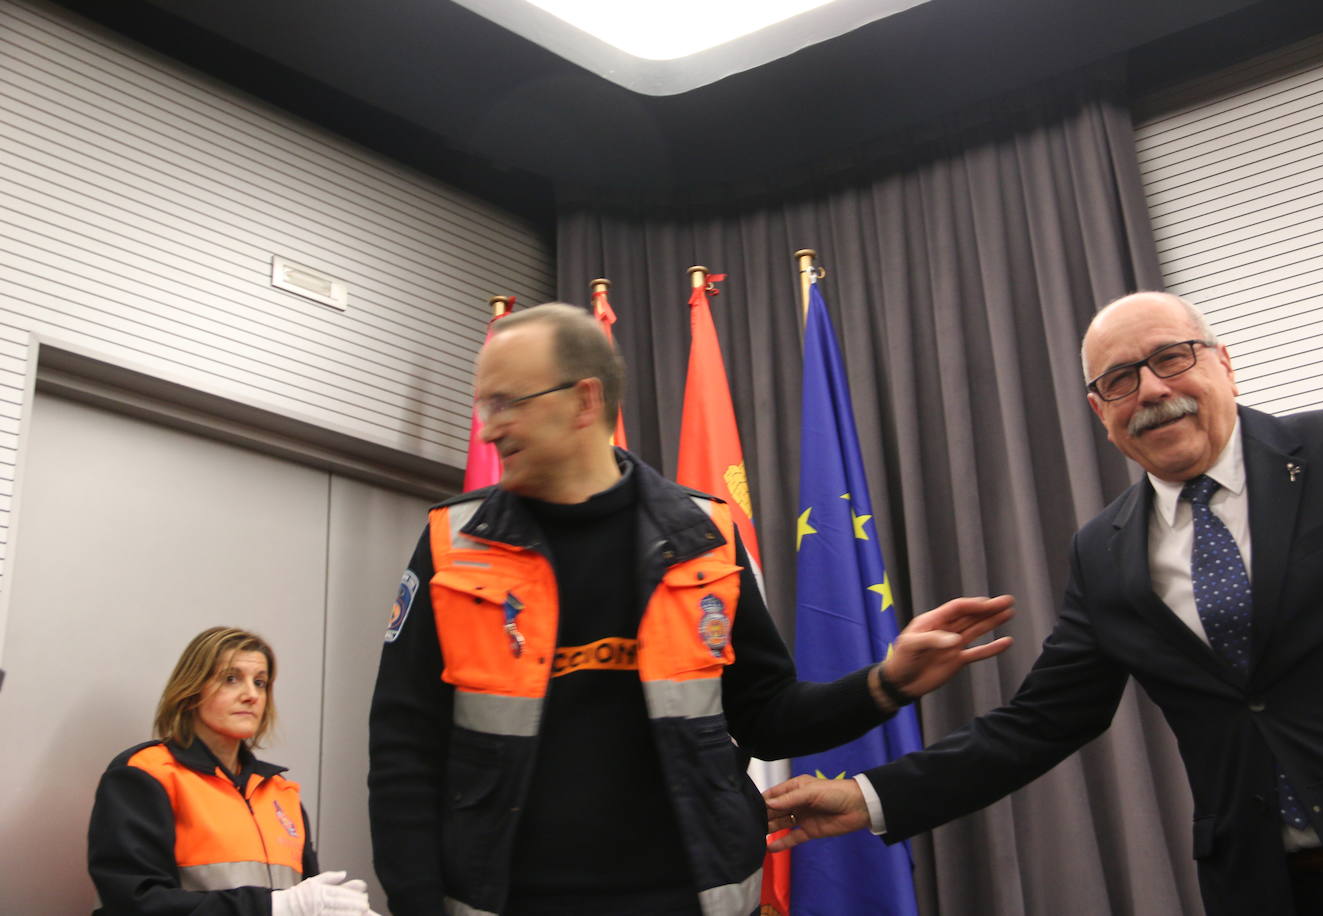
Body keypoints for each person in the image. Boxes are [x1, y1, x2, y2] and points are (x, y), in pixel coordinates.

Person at [367, 303, 1015, 916]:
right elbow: (403, 746)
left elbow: (765, 715)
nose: (490, 426)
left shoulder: (704, 535)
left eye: (508, 402)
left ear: (584, 400)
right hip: (503, 899)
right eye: (486, 404)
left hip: (684, 897)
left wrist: (887, 683)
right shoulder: (455, 543)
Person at [764, 291, 1323, 915]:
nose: (1152, 391)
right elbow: (1043, 721)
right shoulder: (1105, 552)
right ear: (1099, 411)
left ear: (1224, 363)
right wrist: (867, 796)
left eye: (1171, 358)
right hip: (1266, 887)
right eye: (1120, 380)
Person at [88, 626, 378, 916]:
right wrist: (272, 907)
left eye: (260, 683)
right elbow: (135, 903)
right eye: (231, 679)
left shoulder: (279, 793)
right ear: (191, 690)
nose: (251, 695)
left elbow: (305, 904)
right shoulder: (147, 775)